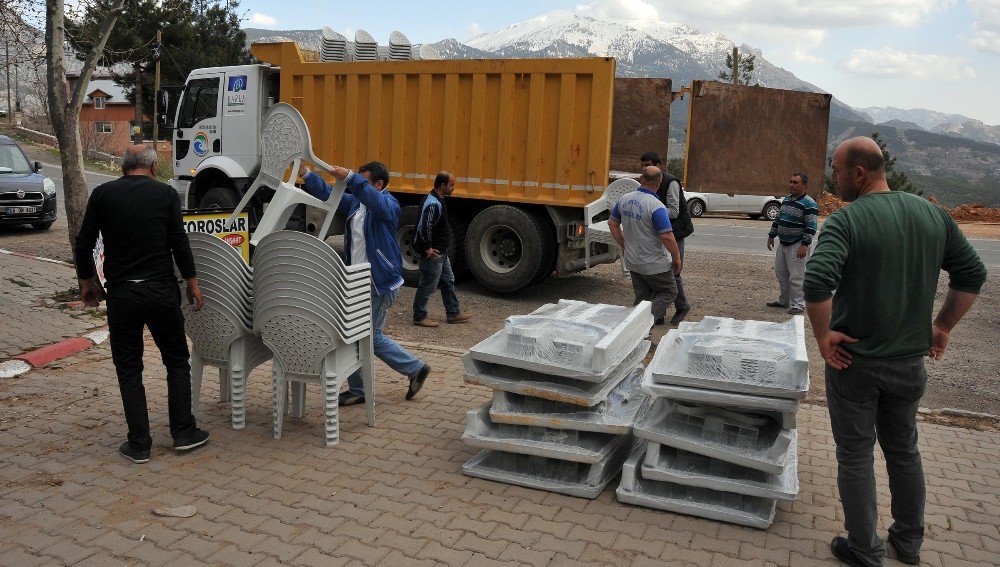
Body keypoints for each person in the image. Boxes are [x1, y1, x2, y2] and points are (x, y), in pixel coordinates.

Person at [803, 137, 986, 567]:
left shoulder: (846, 221)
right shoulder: (931, 215)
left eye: (837, 169)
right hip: (909, 365)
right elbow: (972, 273)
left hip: (855, 365)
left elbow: (815, 284)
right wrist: (941, 327)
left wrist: (823, 337)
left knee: (855, 455)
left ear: (860, 173)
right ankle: (907, 543)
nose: (833, 176)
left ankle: (864, 550)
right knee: (904, 451)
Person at [74, 144, 210, 464]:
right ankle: (184, 433)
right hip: (161, 292)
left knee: (129, 369)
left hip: (122, 295)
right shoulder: (165, 195)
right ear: (152, 167)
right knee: (176, 361)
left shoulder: (103, 195)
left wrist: (87, 284)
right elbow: (179, 243)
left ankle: (139, 445)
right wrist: (192, 284)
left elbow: (84, 243)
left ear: (123, 168)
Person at [299, 161, 432, 405]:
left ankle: (411, 370)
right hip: (357, 282)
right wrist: (307, 174)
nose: (358, 187)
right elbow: (330, 195)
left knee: (367, 337)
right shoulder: (356, 204)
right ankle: (372, 384)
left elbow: (376, 202)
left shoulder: (388, 204)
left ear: (379, 185)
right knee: (357, 336)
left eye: (364, 181)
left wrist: (350, 177)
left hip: (379, 283)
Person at [608, 166, 683, 325]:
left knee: (643, 298)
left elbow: (612, 223)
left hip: (633, 261)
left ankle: (639, 335)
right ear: (660, 183)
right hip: (654, 264)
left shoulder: (624, 199)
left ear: (641, 179)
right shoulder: (656, 206)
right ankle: (639, 324)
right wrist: (676, 257)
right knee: (669, 291)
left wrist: (623, 244)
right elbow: (667, 236)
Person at [640, 151, 694, 324]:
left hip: (675, 231)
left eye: (648, 164)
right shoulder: (646, 181)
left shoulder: (671, 182)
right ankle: (659, 313)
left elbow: (674, 211)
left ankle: (682, 306)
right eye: (642, 165)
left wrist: (652, 211)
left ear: (658, 166)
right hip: (660, 231)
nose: (644, 168)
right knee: (657, 270)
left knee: (673, 272)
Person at [411, 171, 471, 327]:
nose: (453, 188)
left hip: (441, 254)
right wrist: (427, 249)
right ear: (443, 185)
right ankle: (419, 316)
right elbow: (425, 227)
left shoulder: (438, 200)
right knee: (428, 285)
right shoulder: (432, 203)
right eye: (452, 185)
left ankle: (453, 313)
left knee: (448, 281)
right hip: (433, 255)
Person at [767, 172, 819, 315]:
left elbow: (811, 226)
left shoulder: (809, 203)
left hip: (797, 244)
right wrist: (771, 235)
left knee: (797, 276)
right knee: (781, 273)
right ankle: (784, 301)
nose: (791, 185)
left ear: (804, 186)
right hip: (783, 243)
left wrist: (804, 244)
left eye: (795, 183)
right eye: (791, 182)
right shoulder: (787, 200)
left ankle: (799, 304)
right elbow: (778, 219)